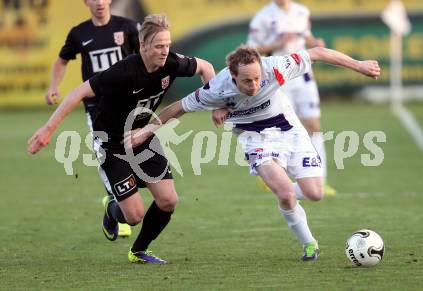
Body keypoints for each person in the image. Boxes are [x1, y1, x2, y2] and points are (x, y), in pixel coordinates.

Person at [135, 45, 380, 261]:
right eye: (247, 81)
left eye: (257, 78)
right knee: (285, 192)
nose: (254, 85)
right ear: (232, 76)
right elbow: (178, 108)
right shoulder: (217, 88)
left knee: (315, 193)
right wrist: (146, 131)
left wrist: (359, 65)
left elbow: (317, 53)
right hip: (255, 140)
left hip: (290, 131)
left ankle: (283, 192)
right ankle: (309, 244)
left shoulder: (275, 67)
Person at [28, 14, 215, 264]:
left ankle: (139, 251)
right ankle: (112, 209)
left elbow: (206, 68)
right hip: (112, 143)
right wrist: (49, 129)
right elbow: (78, 92)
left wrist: (216, 104)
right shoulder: (124, 72)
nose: (165, 51)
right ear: (143, 46)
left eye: (167, 45)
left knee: (169, 200)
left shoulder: (172, 63)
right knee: (134, 215)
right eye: (159, 46)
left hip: (143, 137)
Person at [45, 0, 140, 237]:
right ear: (86, 2)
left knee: (134, 155)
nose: (99, 2)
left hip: (129, 104)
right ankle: (117, 202)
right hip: (97, 108)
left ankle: (113, 206)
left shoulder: (128, 27)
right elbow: (61, 61)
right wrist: (53, 86)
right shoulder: (79, 33)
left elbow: (143, 57)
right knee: (107, 153)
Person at [247, 0, 336, 196]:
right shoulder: (263, 16)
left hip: (304, 77)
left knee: (313, 125)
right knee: (280, 126)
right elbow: (251, 50)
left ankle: (321, 178)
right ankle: (271, 172)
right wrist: (277, 43)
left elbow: (307, 39)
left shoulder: (302, 11)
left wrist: (316, 44)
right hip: (279, 79)